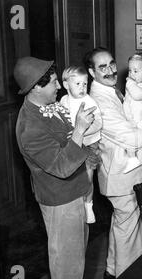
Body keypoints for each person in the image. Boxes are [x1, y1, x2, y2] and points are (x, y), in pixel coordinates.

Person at [14, 56, 99, 279]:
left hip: (75, 193)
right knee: (67, 272)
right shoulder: (30, 127)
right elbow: (62, 167)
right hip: (61, 201)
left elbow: (66, 138)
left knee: (76, 263)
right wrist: (81, 129)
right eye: (53, 83)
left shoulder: (44, 107)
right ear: (35, 88)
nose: (59, 86)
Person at [84, 47, 142, 279]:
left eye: (112, 63)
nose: (111, 70)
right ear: (91, 72)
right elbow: (134, 138)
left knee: (122, 222)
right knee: (129, 226)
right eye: (102, 67)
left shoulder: (111, 91)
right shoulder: (100, 101)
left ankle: (112, 268)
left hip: (121, 173)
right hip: (120, 176)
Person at [60, 66, 103, 223]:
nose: (82, 87)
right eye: (77, 84)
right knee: (74, 177)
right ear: (66, 85)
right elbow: (62, 120)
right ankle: (76, 205)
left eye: (85, 84)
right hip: (73, 144)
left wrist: (82, 130)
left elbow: (98, 123)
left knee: (88, 178)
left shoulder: (89, 101)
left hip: (90, 144)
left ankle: (89, 204)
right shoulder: (64, 101)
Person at [123, 53, 142, 173]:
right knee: (129, 139)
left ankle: (133, 159)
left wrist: (129, 83)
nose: (132, 74)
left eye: (136, 71)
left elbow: (136, 95)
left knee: (133, 139)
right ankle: (133, 158)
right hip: (133, 119)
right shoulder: (133, 85)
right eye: (130, 71)